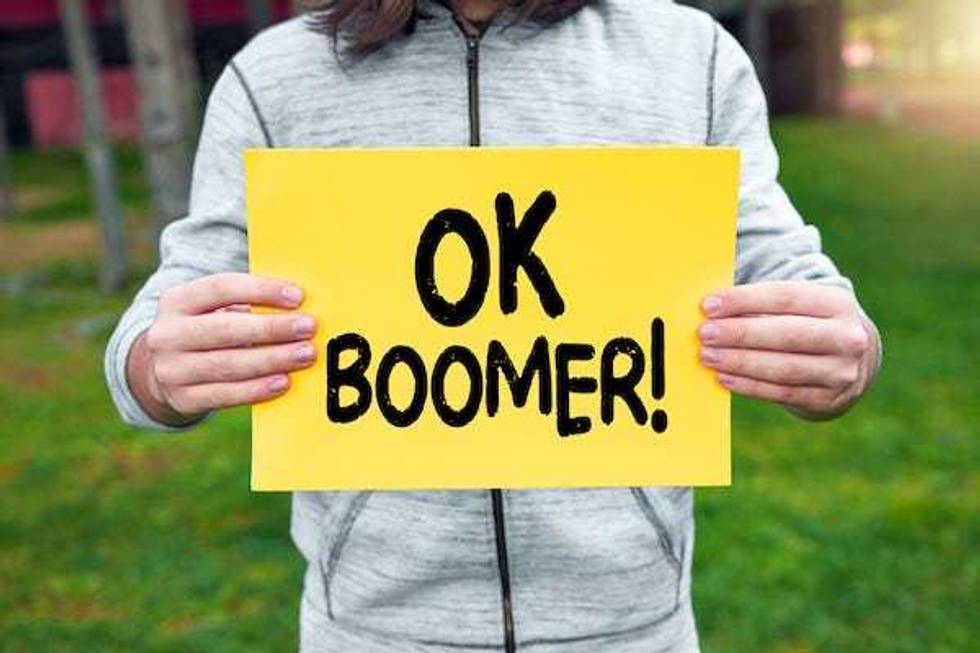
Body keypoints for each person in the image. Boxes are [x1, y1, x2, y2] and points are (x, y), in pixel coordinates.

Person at [105, 0, 882, 650]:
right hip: (371, 631)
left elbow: (793, 275)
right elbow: (162, 321)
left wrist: (843, 352)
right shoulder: (276, 77)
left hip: (632, 627)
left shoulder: (691, 58)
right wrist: (157, 368)